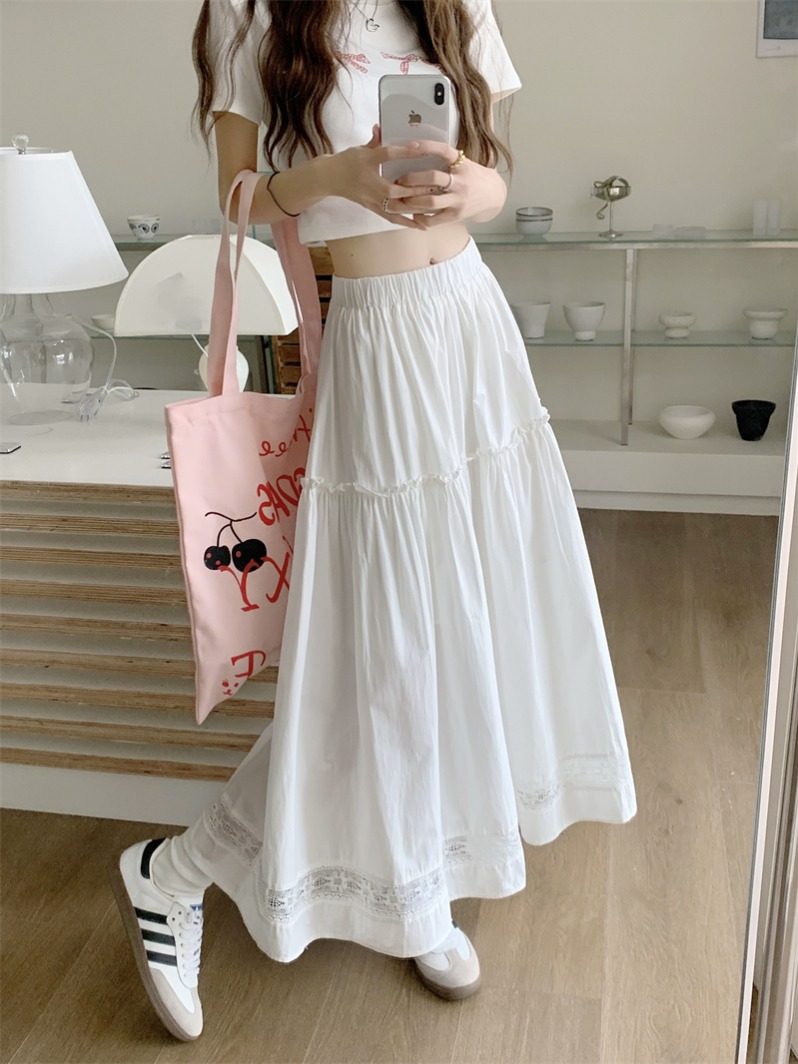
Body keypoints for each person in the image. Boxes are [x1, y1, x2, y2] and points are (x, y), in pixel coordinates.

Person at [107, 0, 638, 1042]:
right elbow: (237, 194)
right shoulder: (252, 15)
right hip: (378, 341)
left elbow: (492, 173)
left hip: (471, 323)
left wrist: (479, 188)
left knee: (472, 627)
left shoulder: (449, 4)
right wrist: (338, 178)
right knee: (386, 651)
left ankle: (417, 888)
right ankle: (175, 871)